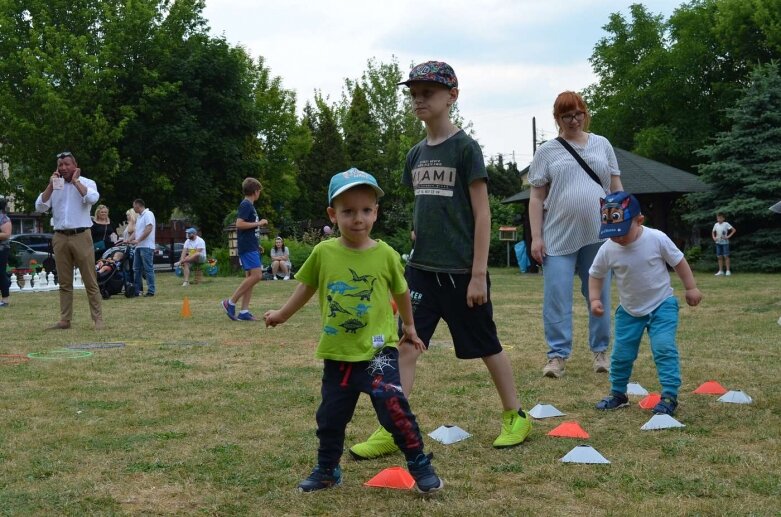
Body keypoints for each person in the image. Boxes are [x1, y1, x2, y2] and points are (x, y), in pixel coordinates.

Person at [350, 61, 531, 460]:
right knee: (407, 345)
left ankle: (515, 415)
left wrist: (479, 274)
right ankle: (392, 426)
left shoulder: (466, 149)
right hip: (421, 272)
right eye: (414, 93)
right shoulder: (414, 155)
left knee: (487, 344)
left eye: (427, 92)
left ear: (452, 96)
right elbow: (426, 207)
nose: (419, 99)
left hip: (463, 273)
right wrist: (420, 232)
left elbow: (482, 213)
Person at [264, 169, 443, 493]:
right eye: (347, 211)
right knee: (330, 418)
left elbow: (402, 291)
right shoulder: (324, 253)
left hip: (379, 353)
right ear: (333, 215)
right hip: (338, 356)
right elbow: (305, 287)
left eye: (364, 210)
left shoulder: (386, 254)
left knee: (394, 409)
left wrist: (410, 326)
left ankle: (419, 463)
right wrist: (282, 314)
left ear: (375, 212)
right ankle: (327, 470)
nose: (357, 218)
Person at [528, 91, 623, 379]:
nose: (574, 120)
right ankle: (556, 356)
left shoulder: (602, 145)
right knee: (556, 296)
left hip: (598, 235)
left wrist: (624, 225)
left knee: (599, 294)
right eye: (567, 115)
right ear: (557, 119)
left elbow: (615, 186)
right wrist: (536, 236)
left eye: (578, 113)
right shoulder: (547, 151)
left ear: (585, 113)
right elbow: (536, 197)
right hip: (557, 237)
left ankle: (600, 353)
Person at [589, 192, 702, 416]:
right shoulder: (608, 248)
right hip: (629, 311)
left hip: (662, 305)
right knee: (621, 354)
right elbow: (596, 273)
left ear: (639, 220)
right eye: (612, 233)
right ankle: (618, 394)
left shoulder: (656, 238)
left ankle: (669, 395)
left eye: (622, 231)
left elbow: (678, 261)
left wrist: (691, 287)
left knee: (663, 348)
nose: (618, 238)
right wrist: (594, 298)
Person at [34, 151, 103, 329]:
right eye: (60, 165)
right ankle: (65, 320)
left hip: (81, 235)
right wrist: (50, 186)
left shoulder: (87, 182)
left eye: (67, 164)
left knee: (90, 279)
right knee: (64, 282)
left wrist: (76, 182)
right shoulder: (55, 185)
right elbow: (40, 207)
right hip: (60, 236)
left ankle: (97, 319)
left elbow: (92, 199)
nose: (63, 167)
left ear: (75, 165)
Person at [221, 177, 268, 321]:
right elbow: (240, 224)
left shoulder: (249, 205)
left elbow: (247, 228)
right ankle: (230, 302)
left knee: (251, 278)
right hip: (247, 247)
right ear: (255, 191)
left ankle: (244, 312)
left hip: (250, 245)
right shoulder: (246, 204)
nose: (259, 193)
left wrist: (256, 243)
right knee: (257, 276)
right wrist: (259, 223)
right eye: (259, 191)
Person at [130, 198, 156, 297]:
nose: (133, 208)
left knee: (148, 269)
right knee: (136, 269)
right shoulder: (140, 217)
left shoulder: (148, 214)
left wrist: (138, 240)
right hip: (139, 246)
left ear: (138, 205)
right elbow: (136, 231)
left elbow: (149, 228)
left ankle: (151, 290)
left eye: (134, 206)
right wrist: (129, 239)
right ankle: (137, 290)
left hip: (147, 246)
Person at [0, 197, 11, 308]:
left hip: (2, 249)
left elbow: (6, 234)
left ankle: (5, 300)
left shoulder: (4, 218)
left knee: (1, 273)